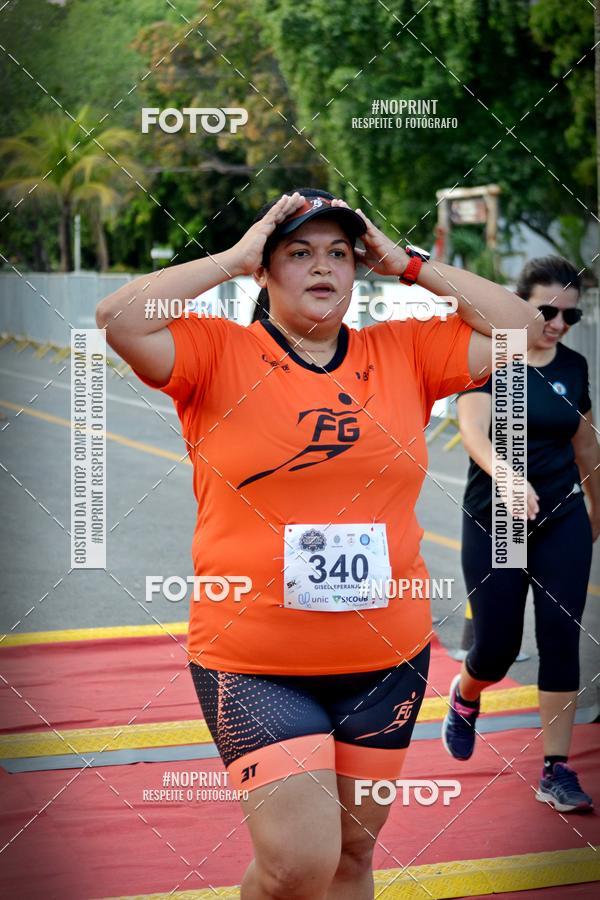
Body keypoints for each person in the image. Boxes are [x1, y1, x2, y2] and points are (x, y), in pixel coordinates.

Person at [96, 188, 543, 899]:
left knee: (350, 862)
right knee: (295, 867)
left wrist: (408, 264)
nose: (321, 266)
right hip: (255, 661)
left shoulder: (405, 352)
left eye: (339, 252)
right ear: (266, 272)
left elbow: (522, 328)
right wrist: (231, 257)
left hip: (384, 659)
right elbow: (116, 319)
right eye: (298, 253)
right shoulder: (216, 353)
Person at [444, 255, 599, 814]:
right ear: (519, 303)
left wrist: (592, 519)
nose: (558, 323)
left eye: (570, 316)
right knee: (498, 649)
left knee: (562, 637)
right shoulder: (491, 356)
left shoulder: (575, 367)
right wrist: (508, 477)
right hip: (497, 521)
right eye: (546, 311)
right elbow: (473, 434)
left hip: (561, 519)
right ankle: (465, 696)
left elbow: (587, 449)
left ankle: (556, 769)